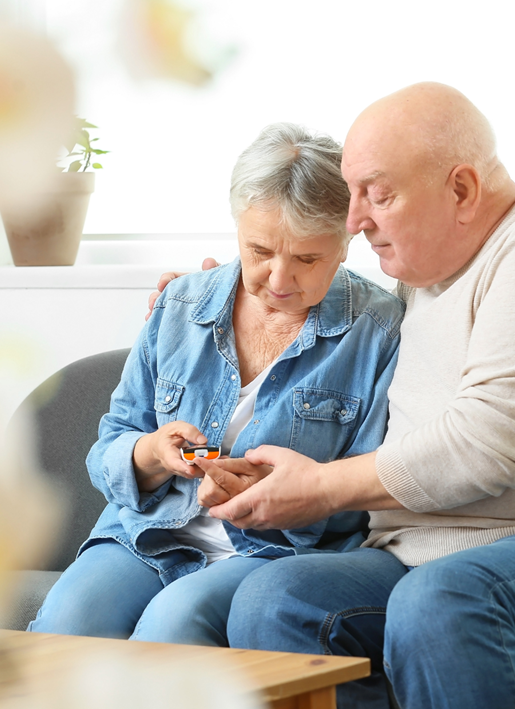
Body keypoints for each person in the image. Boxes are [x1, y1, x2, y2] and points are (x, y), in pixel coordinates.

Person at [165, 82, 515, 709]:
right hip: (418, 555)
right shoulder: (418, 279)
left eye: (377, 195)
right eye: (353, 195)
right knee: (276, 597)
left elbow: (488, 449)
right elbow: (315, 297)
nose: (355, 220)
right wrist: (220, 296)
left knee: (441, 599)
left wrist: (322, 488)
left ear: (461, 190)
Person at [28, 123, 404, 646]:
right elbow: (112, 440)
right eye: (260, 251)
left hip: (275, 552)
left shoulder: (378, 330)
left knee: (173, 625)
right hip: (149, 533)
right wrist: (151, 454)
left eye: (307, 259)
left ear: (346, 241)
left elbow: (371, 493)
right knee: (67, 623)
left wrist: (278, 495)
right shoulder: (181, 305)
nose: (277, 279)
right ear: (236, 229)